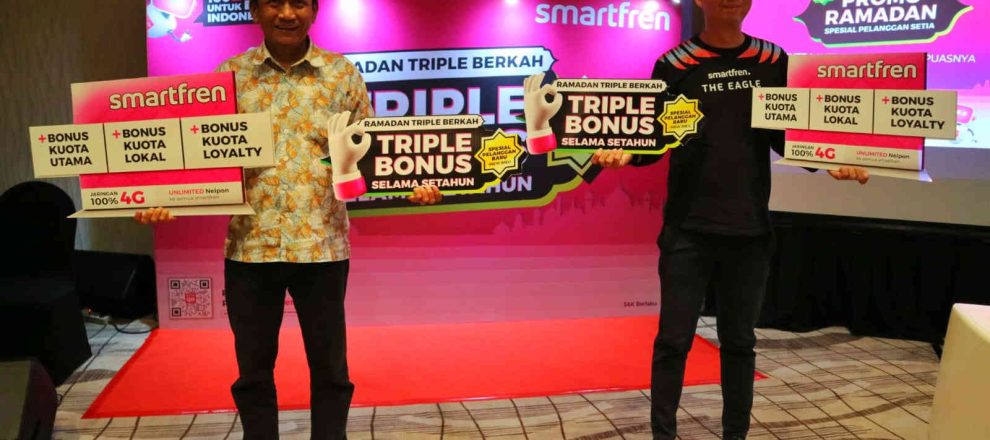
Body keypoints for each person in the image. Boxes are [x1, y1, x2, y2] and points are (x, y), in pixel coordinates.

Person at [137, 0, 441, 438]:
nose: (286, 13)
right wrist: (159, 199)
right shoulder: (229, 76)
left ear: (314, 11)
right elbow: (195, 157)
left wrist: (412, 183)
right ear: (254, 11)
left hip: (323, 247)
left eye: (298, 2)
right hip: (250, 247)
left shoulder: (341, 74)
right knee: (253, 371)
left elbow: (374, 153)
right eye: (273, 2)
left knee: (331, 369)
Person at [591, 0, 869, 438]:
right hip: (687, 231)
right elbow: (654, 138)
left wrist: (830, 157)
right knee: (673, 342)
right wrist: (627, 152)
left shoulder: (773, 60)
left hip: (750, 231)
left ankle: (735, 435)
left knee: (739, 344)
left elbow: (787, 135)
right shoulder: (674, 64)